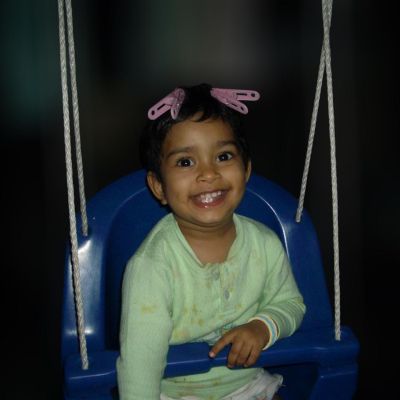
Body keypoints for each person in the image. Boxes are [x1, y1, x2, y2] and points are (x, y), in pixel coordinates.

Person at [117, 83, 306, 400]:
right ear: (159, 186)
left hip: (249, 387)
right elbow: (139, 366)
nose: (208, 173)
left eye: (223, 156)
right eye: (185, 162)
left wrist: (262, 327)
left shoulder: (265, 244)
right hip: (174, 394)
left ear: (246, 170)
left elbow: (291, 304)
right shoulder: (151, 266)